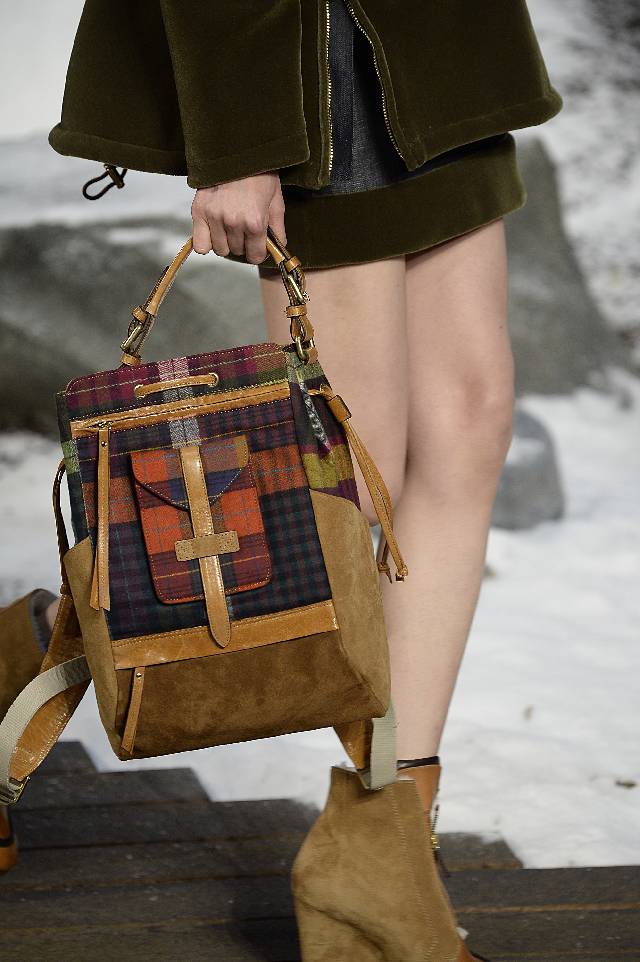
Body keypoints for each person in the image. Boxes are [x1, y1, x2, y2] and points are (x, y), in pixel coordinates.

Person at [2, 1, 562, 956]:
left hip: (436, 49)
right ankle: (27, 676)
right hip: (309, 57)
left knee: (468, 424)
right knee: (350, 471)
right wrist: (242, 136)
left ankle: (385, 839)